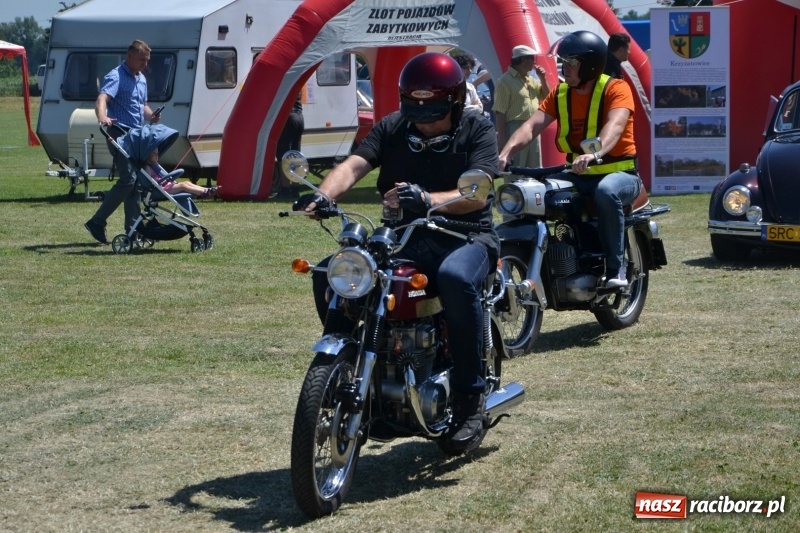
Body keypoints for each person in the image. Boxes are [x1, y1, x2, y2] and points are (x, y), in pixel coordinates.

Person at [294, 52, 499, 453]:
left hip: (465, 236)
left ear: (456, 103)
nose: (423, 120)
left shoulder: (477, 129)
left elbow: (478, 193)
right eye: (415, 110)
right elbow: (355, 163)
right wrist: (323, 194)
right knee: (331, 272)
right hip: (403, 236)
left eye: (434, 112)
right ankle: (352, 368)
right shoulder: (393, 126)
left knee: (456, 279)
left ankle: (469, 400)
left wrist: (426, 198)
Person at [498, 31, 643, 289]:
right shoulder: (561, 94)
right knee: (534, 193)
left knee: (606, 191)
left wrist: (595, 153)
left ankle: (616, 266)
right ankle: (557, 258)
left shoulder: (616, 88)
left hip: (622, 175)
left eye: (572, 61)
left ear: (590, 64)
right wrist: (506, 152)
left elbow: (616, 124)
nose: (566, 67)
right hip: (577, 174)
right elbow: (532, 126)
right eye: (564, 61)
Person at [84, 39, 161, 245]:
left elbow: (141, 104)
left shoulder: (141, 79)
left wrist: (151, 115)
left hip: (136, 136)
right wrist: (102, 117)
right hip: (118, 134)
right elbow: (102, 99)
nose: (145, 63)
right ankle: (97, 222)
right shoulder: (116, 76)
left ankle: (133, 230)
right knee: (128, 179)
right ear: (129, 56)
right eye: (142, 59)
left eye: (147, 60)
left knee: (135, 184)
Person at [493, 44, 549, 170]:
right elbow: (500, 113)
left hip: (533, 128)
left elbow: (546, 97)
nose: (534, 62)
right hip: (515, 128)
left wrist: (543, 78)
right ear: (523, 60)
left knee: (535, 169)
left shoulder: (531, 80)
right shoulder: (504, 81)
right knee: (516, 170)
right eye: (532, 58)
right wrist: (502, 142)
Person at [145, 149, 220, 199]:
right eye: (154, 153)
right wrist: (164, 182)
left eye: (158, 153)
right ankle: (203, 193)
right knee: (183, 185)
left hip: (166, 186)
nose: (157, 155)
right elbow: (150, 181)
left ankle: (206, 190)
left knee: (186, 182)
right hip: (160, 190)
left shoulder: (155, 165)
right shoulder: (147, 167)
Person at [272, 92, 305, 200]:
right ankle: (295, 190)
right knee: (296, 156)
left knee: (283, 156)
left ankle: (285, 190)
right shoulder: (294, 79)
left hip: (288, 117)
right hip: (299, 116)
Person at [452, 53, 483, 117]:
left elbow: (480, 108)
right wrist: (473, 107)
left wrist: (465, 108)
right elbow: (452, 111)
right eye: (466, 68)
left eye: (471, 67)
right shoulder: (449, 88)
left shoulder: (470, 87)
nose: (470, 71)